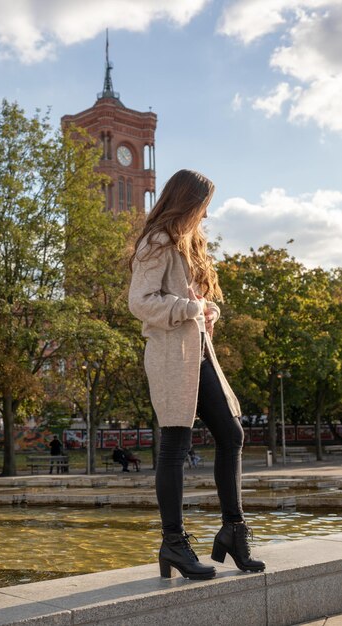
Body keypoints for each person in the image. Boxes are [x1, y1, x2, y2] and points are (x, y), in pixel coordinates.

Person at [128, 169, 265, 580]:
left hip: (200, 352)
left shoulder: (191, 247)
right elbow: (141, 301)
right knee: (175, 442)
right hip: (172, 355)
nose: (205, 216)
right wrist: (190, 309)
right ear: (187, 203)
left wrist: (208, 310)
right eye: (203, 207)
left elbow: (199, 303)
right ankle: (173, 542)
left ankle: (233, 530)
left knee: (232, 434)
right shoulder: (157, 243)